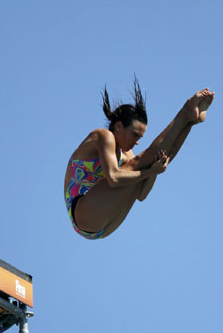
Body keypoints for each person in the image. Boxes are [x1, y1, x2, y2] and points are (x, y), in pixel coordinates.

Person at [64, 78, 214, 239]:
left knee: (155, 160)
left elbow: (141, 195)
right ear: (118, 126)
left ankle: (190, 122)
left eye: (140, 137)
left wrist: (154, 170)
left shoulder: (126, 155)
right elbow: (114, 178)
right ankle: (185, 112)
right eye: (134, 135)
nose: (136, 142)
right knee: (141, 165)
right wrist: (149, 171)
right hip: (83, 213)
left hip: (102, 229)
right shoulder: (103, 136)